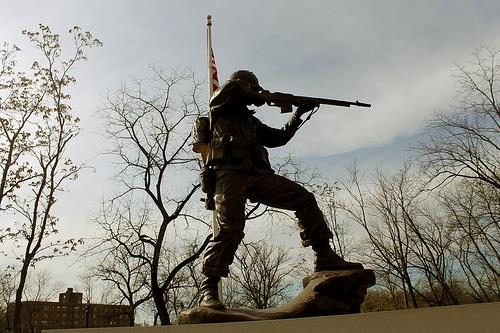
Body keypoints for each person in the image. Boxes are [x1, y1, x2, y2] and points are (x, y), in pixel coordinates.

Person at [197, 70, 362, 310]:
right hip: (229, 175)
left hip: (257, 175)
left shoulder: (250, 122)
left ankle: (324, 255)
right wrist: (259, 94)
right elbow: (228, 92)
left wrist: (297, 114)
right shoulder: (218, 109)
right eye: (252, 88)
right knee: (230, 229)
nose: (254, 93)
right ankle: (209, 289)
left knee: (304, 199)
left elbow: (277, 138)